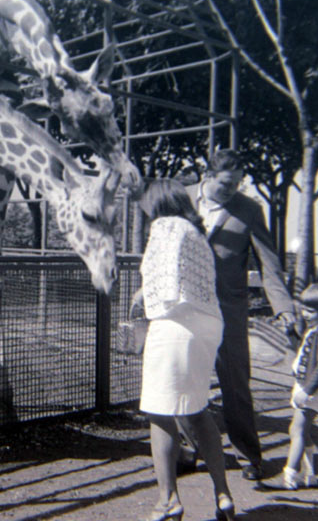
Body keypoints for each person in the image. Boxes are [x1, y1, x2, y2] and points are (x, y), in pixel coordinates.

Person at [132, 178, 235, 521]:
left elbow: (164, 281)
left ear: (158, 201)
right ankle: (223, 494)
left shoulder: (165, 226)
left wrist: (146, 298)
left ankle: (168, 500)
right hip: (208, 325)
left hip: (176, 324)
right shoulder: (196, 232)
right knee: (197, 409)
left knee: (160, 412)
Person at [193, 149, 299, 481]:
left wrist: (283, 308)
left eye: (238, 183)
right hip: (186, 307)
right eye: (226, 183)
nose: (233, 190)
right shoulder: (181, 200)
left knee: (235, 384)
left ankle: (248, 456)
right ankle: (189, 448)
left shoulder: (249, 209)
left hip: (228, 310)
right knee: (186, 378)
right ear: (207, 176)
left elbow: (269, 265)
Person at [276, 282, 318, 490]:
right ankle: (310, 474)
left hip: (315, 389)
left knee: (296, 429)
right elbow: (303, 351)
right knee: (303, 431)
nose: (305, 314)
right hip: (305, 385)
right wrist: (291, 334)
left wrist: (307, 391)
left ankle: (290, 474)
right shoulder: (316, 329)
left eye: (311, 311)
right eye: (304, 309)